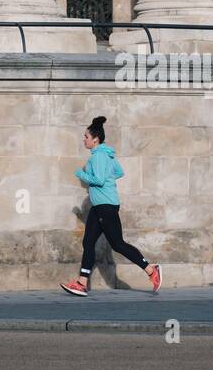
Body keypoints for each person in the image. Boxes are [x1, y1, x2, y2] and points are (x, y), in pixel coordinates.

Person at [61, 115, 161, 296]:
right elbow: (119, 172)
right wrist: (107, 180)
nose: (84, 140)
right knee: (88, 242)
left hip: (106, 206)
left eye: (86, 137)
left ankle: (151, 270)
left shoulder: (98, 156)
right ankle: (82, 283)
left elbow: (98, 180)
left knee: (118, 244)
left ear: (95, 139)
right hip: (100, 206)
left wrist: (81, 174)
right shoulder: (106, 154)